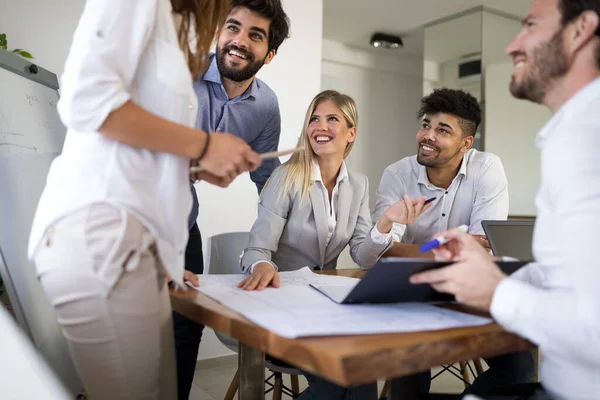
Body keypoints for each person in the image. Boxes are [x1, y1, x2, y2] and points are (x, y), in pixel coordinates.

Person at [27, 0, 262, 399]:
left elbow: (134, 148)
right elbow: (85, 97)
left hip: (136, 249)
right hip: (102, 235)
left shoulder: (171, 25)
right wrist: (203, 145)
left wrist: (190, 165)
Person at [410, 0, 600, 399]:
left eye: (530, 25)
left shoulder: (589, 139)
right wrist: (493, 272)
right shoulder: (569, 134)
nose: (512, 45)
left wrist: (497, 292)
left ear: (581, 30)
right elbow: (563, 280)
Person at [238, 90, 431, 400]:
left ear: (351, 132)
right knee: (341, 380)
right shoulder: (286, 177)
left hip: (324, 309)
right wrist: (261, 264)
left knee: (360, 371)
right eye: (314, 119)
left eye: (332, 119)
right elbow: (258, 249)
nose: (320, 126)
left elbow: (363, 256)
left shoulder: (358, 184)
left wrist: (386, 224)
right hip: (284, 309)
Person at [372, 88, 535, 395]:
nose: (427, 135)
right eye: (426, 125)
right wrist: (439, 252)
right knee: (411, 370)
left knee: (520, 370)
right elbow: (384, 249)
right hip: (413, 287)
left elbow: (481, 245)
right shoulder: (397, 174)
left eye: (442, 130)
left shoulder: (487, 167)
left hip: (468, 289)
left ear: (466, 144)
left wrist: (421, 250)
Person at [174, 1, 290, 398]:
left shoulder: (267, 106)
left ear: (269, 53)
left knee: (187, 326)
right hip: (137, 221)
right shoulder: (182, 72)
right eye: (233, 28)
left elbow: (267, 184)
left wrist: (275, 245)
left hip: (183, 222)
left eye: (255, 36)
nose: (239, 41)